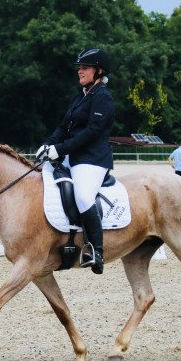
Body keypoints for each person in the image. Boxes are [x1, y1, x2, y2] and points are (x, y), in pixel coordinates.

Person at [36, 48, 114, 275]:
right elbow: (63, 127)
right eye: (80, 67)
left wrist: (59, 149)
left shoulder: (103, 98)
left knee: (82, 196)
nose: (80, 71)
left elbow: (92, 132)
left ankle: (96, 251)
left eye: (84, 67)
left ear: (98, 71)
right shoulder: (80, 96)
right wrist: (48, 144)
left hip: (92, 160)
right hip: (72, 156)